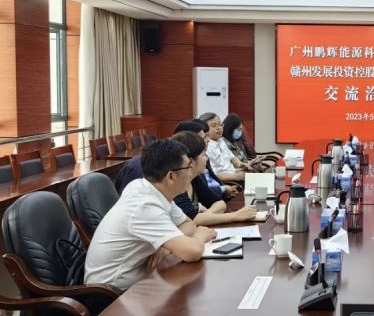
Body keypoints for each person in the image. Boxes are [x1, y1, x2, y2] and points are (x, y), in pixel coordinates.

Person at [85, 139, 217, 291]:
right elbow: (192, 252)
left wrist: (165, 246)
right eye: (188, 167)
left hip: (139, 280)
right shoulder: (144, 205)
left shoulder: (150, 188)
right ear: (171, 176)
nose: (190, 172)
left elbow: (188, 224)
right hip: (112, 294)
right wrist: (200, 236)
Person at [170, 131, 257, 225]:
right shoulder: (176, 184)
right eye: (203, 155)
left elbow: (220, 203)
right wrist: (236, 216)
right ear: (190, 161)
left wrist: (206, 216)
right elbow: (192, 219)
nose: (207, 159)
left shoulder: (195, 178)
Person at [198, 112, 247, 183]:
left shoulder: (221, 140)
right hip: (225, 182)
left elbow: (232, 157)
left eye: (220, 124)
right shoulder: (206, 147)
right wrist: (237, 176)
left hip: (233, 174)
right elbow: (213, 175)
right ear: (204, 129)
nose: (219, 128)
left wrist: (240, 165)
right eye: (214, 125)